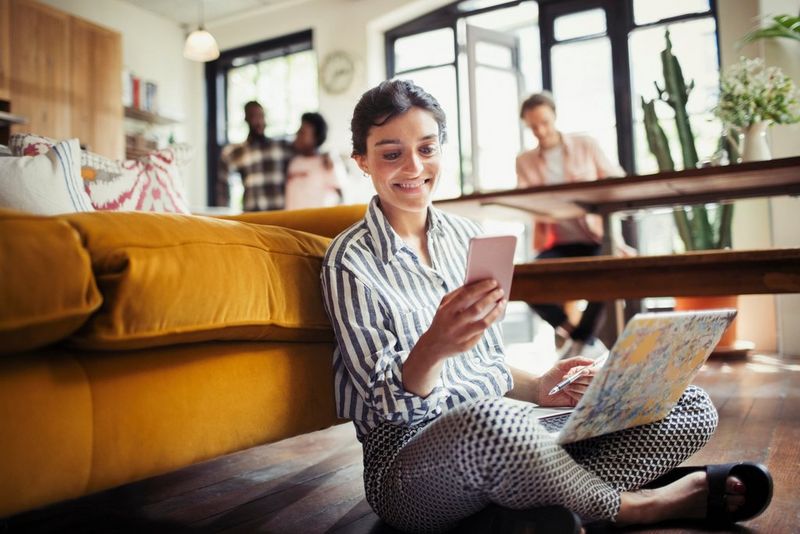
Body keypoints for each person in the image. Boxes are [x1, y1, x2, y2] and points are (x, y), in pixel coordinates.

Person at [320, 79, 771, 533]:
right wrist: (434, 345)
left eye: (427, 148)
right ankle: (641, 505)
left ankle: (532, 504)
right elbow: (385, 407)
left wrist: (539, 388)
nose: (414, 166)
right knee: (489, 422)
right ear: (362, 161)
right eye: (391, 153)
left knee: (687, 402)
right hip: (410, 467)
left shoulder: (464, 236)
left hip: (510, 434)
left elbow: (482, 364)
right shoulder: (350, 260)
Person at [516, 91, 633, 359]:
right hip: (557, 242)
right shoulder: (524, 161)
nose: (540, 131)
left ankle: (581, 341)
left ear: (554, 116)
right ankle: (579, 335)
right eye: (533, 126)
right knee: (521, 280)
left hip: (596, 239)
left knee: (608, 271)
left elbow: (617, 181)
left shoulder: (585, 145)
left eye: (544, 122)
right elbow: (525, 202)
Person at [216, 100, 294, 211]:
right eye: (254, 116)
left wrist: (324, 157)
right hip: (253, 214)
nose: (259, 121)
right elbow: (222, 186)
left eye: (261, 116)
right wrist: (223, 214)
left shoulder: (281, 147)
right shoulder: (236, 152)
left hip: (280, 214)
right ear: (246, 119)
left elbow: (309, 151)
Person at [285, 112, 345, 210]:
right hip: (292, 222)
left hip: (319, 222)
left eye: (302, 132)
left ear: (316, 138)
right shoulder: (294, 162)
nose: (297, 134)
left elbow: (341, 196)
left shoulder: (328, 162)